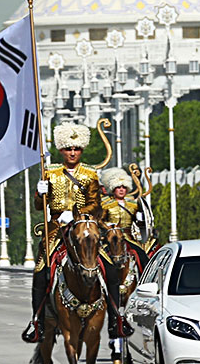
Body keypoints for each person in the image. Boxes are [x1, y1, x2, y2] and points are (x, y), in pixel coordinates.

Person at [23, 121, 101, 343]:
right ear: (61, 150)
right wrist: (40, 193)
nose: (73, 153)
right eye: (68, 149)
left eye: (76, 149)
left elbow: (96, 205)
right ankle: (37, 321)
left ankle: (117, 316)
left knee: (109, 266)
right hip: (56, 230)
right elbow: (39, 206)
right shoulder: (51, 173)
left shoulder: (90, 175)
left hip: (82, 228)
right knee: (41, 272)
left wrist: (76, 214)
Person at [99, 167, 148, 338]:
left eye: (123, 187)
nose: (121, 190)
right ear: (113, 189)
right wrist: (108, 227)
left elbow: (143, 222)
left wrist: (141, 220)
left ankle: (146, 288)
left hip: (128, 237)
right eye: (118, 187)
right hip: (111, 239)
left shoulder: (133, 204)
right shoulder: (106, 204)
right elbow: (99, 220)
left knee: (144, 259)